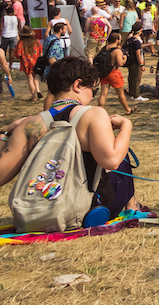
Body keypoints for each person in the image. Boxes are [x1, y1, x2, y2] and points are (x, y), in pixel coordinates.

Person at [0, 57, 139, 218]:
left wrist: (5, 132)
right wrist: (126, 126)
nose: (92, 97)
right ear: (78, 85)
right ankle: (133, 207)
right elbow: (112, 160)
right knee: (122, 155)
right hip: (89, 210)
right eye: (93, 90)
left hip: (38, 212)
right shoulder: (93, 114)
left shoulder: (30, 124)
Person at [96, 33, 135, 115]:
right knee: (120, 93)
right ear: (117, 40)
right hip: (114, 72)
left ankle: (99, 111)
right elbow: (120, 63)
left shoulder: (104, 48)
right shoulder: (117, 51)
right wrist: (125, 58)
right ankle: (127, 109)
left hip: (104, 73)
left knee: (103, 94)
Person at [12, 26, 41, 100]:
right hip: (36, 61)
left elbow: (18, 55)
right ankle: (38, 90)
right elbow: (40, 51)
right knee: (35, 77)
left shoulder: (21, 43)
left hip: (26, 63)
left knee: (30, 79)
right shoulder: (36, 41)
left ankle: (34, 97)